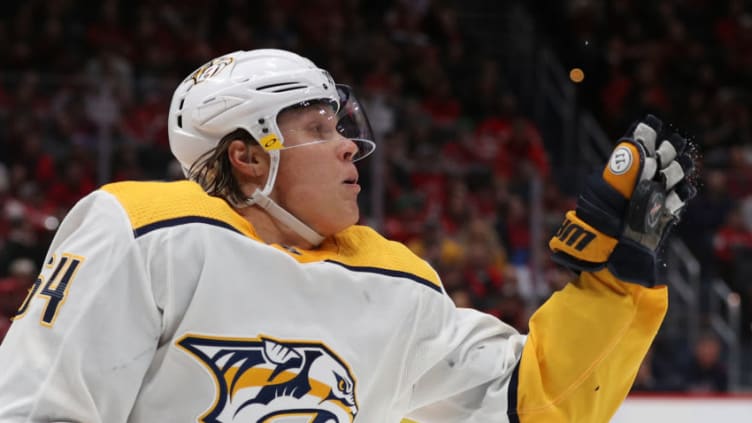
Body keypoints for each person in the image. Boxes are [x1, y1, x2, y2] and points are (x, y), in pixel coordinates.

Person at [0, 49, 697, 422]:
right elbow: (42, 409)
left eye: (341, 127)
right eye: (317, 129)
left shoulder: (392, 279)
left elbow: (530, 404)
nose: (349, 149)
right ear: (248, 154)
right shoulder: (147, 229)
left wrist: (613, 284)